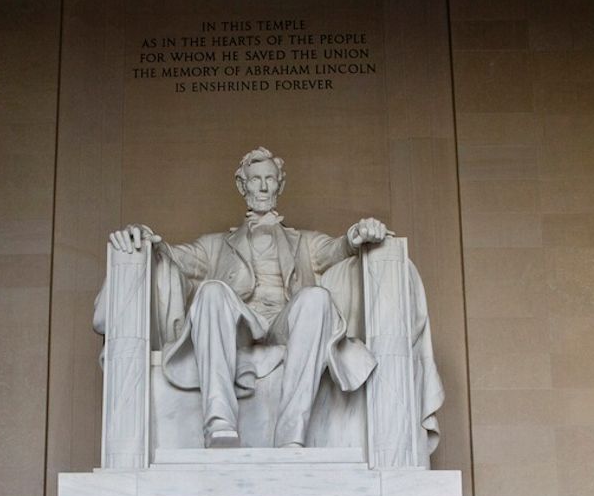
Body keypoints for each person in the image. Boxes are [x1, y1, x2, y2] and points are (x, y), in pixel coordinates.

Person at [104, 146, 390, 449]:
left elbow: (338, 248)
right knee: (211, 291)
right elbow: (173, 255)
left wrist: (358, 234)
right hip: (240, 324)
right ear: (242, 186)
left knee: (317, 298)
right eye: (255, 179)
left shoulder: (305, 242)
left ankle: (291, 434)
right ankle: (219, 423)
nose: (263, 187)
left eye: (270, 179)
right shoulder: (215, 245)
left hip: (285, 323)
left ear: (280, 185)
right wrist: (144, 237)